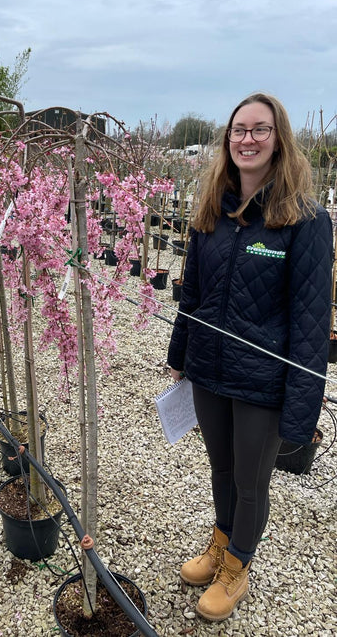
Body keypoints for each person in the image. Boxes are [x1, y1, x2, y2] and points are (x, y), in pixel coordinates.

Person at [166, 92, 333, 622]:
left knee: (250, 479)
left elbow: (311, 322)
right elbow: (191, 292)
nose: (247, 139)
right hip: (211, 370)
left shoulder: (304, 221)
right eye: (239, 130)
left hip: (263, 381)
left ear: (279, 138)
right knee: (220, 467)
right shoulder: (212, 209)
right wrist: (180, 355)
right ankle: (221, 541)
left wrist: (303, 410)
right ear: (227, 140)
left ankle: (238, 564)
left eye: (259, 130)